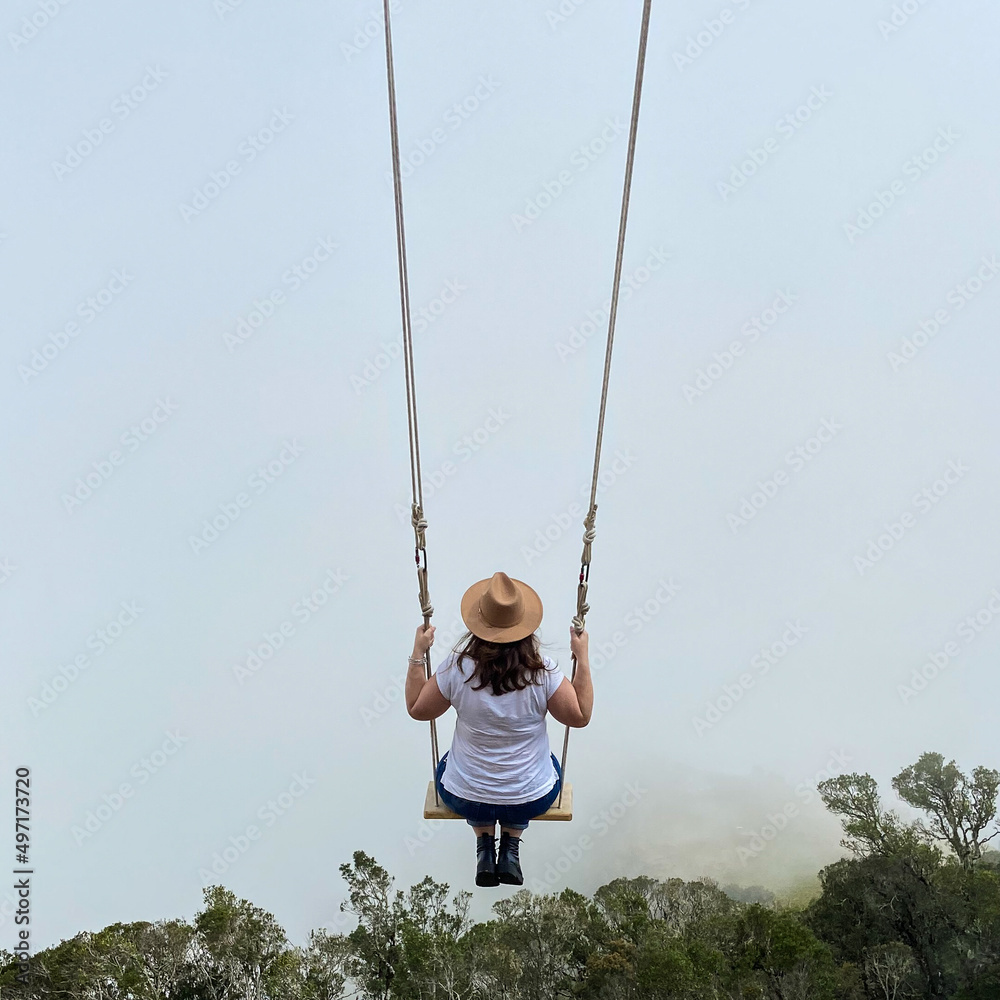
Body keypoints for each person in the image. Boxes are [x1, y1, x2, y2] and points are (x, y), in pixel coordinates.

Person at [404, 571, 593, 887]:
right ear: (525, 626)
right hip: (531, 799)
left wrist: (417, 654)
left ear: (478, 625)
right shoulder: (543, 672)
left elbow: (417, 709)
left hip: (463, 797)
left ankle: (483, 845)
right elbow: (580, 715)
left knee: (453, 767)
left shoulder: (458, 668)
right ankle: (510, 846)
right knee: (546, 769)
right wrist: (582, 659)